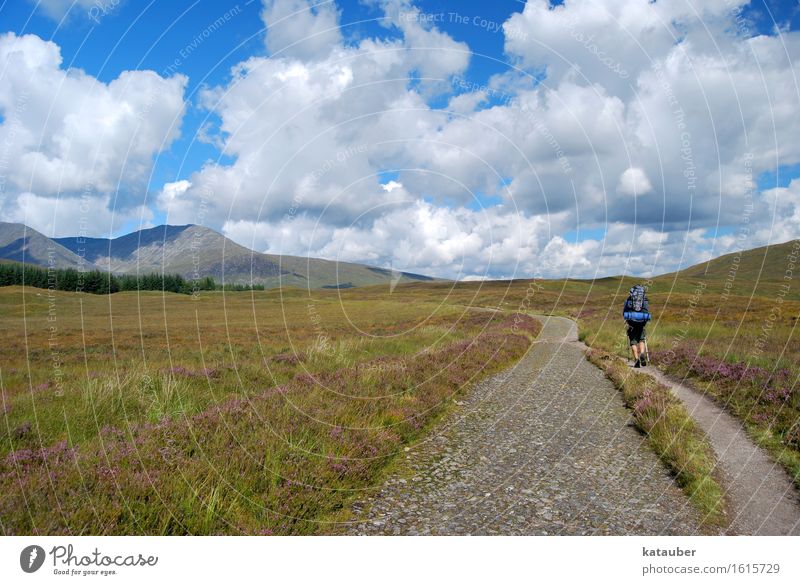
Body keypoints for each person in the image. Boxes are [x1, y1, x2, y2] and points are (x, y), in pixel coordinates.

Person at [623, 284, 650, 368]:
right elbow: (646, 311)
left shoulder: (629, 300)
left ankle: (636, 359)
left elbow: (624, 313)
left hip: (631, 324)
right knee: (641, 340)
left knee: (633, 342)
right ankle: (642, 353)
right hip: (642, 323)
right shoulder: (644, 300)